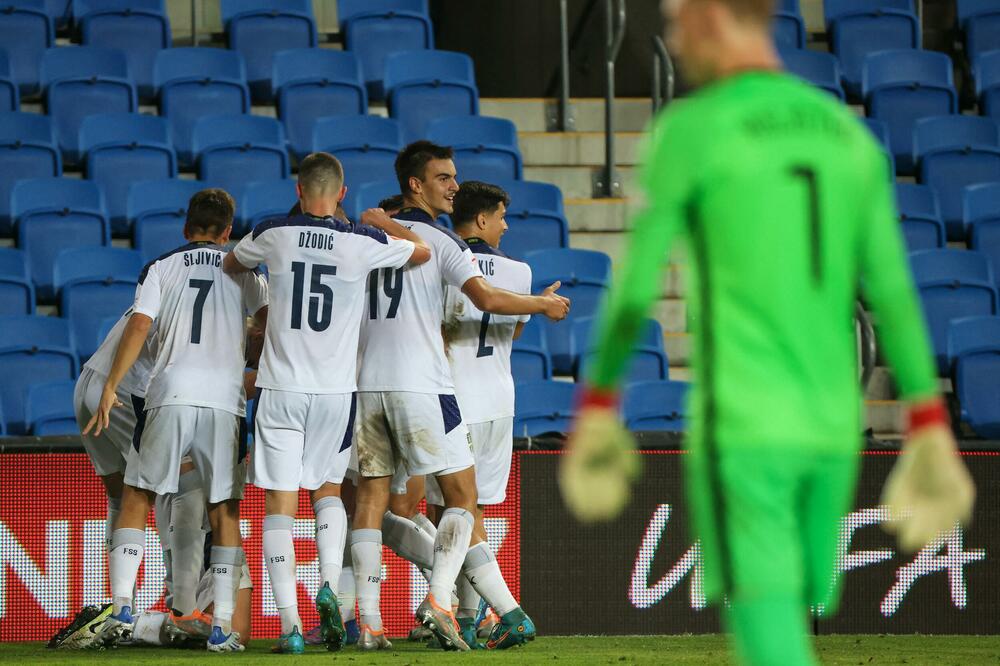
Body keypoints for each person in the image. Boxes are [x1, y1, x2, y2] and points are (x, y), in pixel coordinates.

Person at [560, 1, 977, 665]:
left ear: (715, 15)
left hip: (746, 426)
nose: (669, 33)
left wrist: (600, 403)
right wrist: (927, 418)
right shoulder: (848, 136)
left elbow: (636, 289)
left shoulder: (693, 129)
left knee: (770, 636)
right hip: (833, 427)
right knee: (789, 620)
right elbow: (894, 294)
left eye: (675, 15)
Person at [350, 141, 569, 651]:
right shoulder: (447, 244)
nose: (454, 186)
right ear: (416, 184)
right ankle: (443, 600)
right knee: (464, 502)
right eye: (444, 177)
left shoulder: (363, 236)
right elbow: (488, 301)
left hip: (370, 386)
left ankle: (371, 622)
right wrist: (544, 304)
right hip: (430, 386)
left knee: (376, 502)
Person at [223, 152, 431, 654]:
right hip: (337, 393)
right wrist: (381, 221)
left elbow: (232, 263)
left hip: (279, 388)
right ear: (341, 193)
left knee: (278, 503)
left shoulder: (273, 231)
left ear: (298, 190)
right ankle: (328, 586)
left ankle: (292, 625)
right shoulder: (363, 241)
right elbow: (422, 252)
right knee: (329, 492)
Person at [85, 188, 269, 653]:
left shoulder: (161, 267)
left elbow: (140, 323)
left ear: (186, 228)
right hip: (226, 402)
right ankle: (223, 626)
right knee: (224, 510)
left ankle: (123, 609)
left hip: (169, 392)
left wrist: (111, 385)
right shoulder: (244, 269)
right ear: (229, 232)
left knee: (138, 494)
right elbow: (269, 326)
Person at [435, 181, 534, 648]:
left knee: (452, 511)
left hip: (455, 400)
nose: (505, 225)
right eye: (499, 217)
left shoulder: (442, 263)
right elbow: (510, 334)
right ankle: (472, 619)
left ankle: (493, 612)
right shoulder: (520, 272)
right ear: (480, 221)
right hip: (500, 400)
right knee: (477, 511)